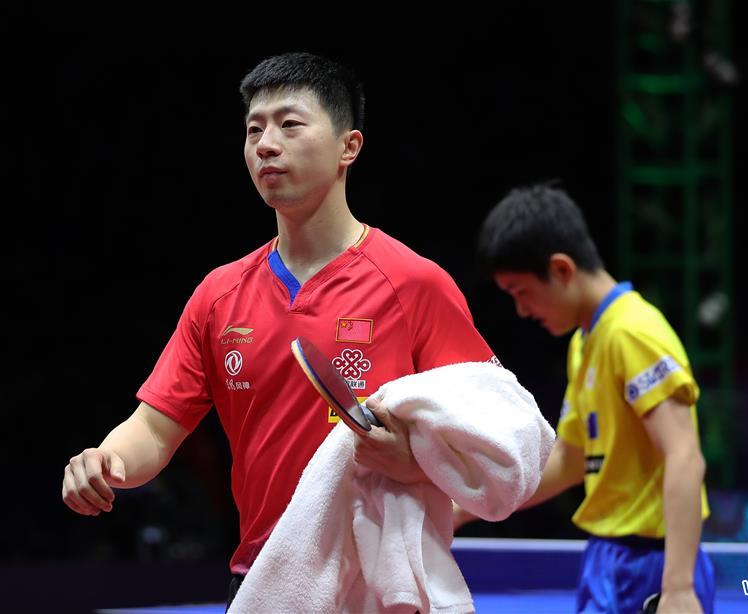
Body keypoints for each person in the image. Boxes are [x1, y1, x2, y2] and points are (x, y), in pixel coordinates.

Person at [61, 52, 497, 608]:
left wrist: (413, 464)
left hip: (379, 588)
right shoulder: (218, 296)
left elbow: (491, 440)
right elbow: (154, 429)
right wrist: (104, 460)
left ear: (349, 147)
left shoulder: (414, 285)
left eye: (290, 124)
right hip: (263, 579)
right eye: (253, 129)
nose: (266, 144)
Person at [460, 184, 715, 613]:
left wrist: (678, 589)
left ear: (561, 269)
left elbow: (685, 455)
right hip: (607, 559)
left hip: (653, 566)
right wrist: (465, 507)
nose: (521, 310)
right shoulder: (586, 341)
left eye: (521, 292)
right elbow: (570, 461)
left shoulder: (631, 332)